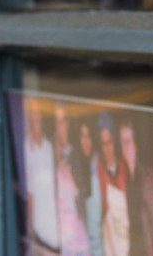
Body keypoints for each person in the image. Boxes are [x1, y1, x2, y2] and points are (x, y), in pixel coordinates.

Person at [119, 118, 153, 256]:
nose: (126, 146)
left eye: (129, 141)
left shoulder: (145, 177)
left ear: (136, 144)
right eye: (122, 142)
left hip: (146, 249)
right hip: (129, 247)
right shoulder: (121, 173)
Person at [54, 105, 92, 256]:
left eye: (63, 120)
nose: (60, 125)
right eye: (57, 121)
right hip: (61, 227)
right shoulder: (54, 152)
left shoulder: (75, 154)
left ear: (67, 124)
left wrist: (73, 185)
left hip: (76, 224)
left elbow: (84, 191)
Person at [24, 99, 60, 253]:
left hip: (55, 219)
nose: (36, 118)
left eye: (38, 114)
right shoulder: (27, 148)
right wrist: (31, 228)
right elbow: (30, 193)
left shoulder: (48, 146)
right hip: (41, 224)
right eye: (33, 115)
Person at [96, 113, 130, 256]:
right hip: (110, 239)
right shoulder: (99, 170)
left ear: (114, 142)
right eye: (104, 144)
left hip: (126, 236)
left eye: (109, 142)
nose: (107, 148)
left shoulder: (124, 167)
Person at [74, 120, 105, 256]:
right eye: (82, 136)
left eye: (88, 136)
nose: (86, 141)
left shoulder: (99, 161)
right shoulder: (76, 164)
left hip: (101, 240)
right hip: (84, 240)